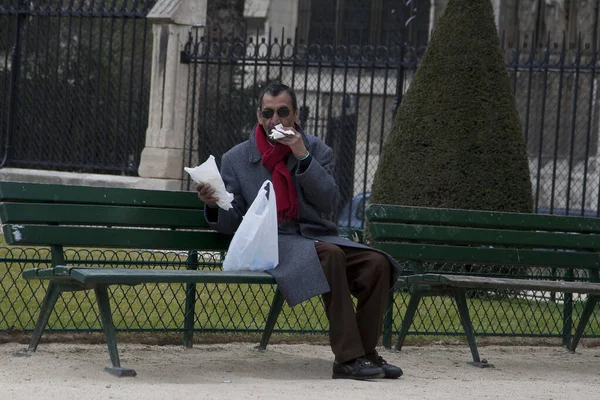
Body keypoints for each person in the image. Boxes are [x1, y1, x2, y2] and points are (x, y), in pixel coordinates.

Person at [196, 83, 403, 380]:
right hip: (272, 243)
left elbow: (330, 202)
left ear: (295, 115)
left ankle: (367, 353)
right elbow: (235, 226)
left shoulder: (317, 150)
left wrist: (303, 156)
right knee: (329, 255)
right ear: (259, 115)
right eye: (268, 113)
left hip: (316, 236)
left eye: (283, 112)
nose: (275, 120)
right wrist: (215, 203)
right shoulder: (237, 159)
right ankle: (348, 359)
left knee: (377, 263)